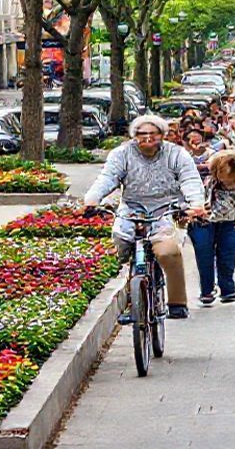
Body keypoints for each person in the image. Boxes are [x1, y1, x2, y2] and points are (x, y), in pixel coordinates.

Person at [83, 115, 207, 320]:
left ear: (162, 135)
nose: (148, 138)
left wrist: (196, 204)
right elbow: (108, 177)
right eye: (142, 134)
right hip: (132, 210)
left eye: (153, 133)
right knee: (119, 249)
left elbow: (190, 179)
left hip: (166, 209)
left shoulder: (176, 154)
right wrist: (92, 199)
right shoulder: (122, 154)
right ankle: (131, 302)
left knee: (167, 252)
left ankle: (177, 302)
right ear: (134, 136)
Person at [188, 150, 235, 305]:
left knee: (228, 255)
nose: (224, 178)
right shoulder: (203, 175)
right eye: (220, 173)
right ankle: (207, 291)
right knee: (204, 254)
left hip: (232, 221)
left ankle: (227, 289)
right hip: (203, 220)